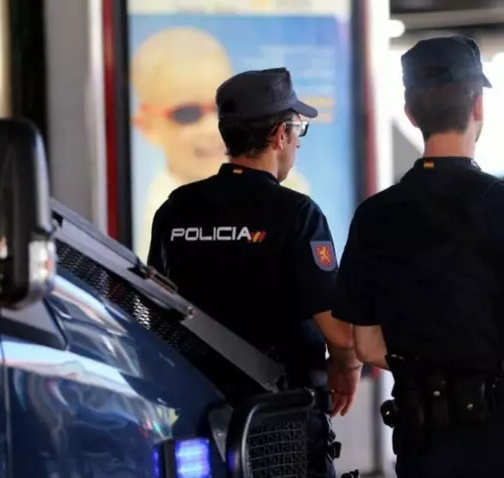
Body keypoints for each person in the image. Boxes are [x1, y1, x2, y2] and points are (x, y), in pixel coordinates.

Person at [332, 36, 504, 478]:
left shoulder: (374, 216)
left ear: (411, 113)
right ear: (478, 107)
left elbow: (368, 346)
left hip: (423, 445)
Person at [146, 67, 361, 478]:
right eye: (297, 130)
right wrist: (347, 367)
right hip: (279, 424)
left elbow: (155, 310)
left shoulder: (175, 209)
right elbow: (339, 333)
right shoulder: (297, 214)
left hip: (196, 419)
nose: (297, 141)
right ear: (280, 135)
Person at [130, 27, 311, 259]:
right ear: (146, 125)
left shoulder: (293, 192)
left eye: (223, 110)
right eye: (187, 114)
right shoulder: (162, 212)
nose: (212, 127)